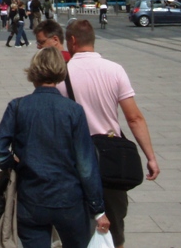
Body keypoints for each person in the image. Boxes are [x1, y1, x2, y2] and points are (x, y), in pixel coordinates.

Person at [0, 48, 110, 247]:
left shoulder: (18, 106)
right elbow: (86, 166)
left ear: (33, 72)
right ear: (60, 73)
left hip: (31, 199)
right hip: (69, 199)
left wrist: (14, 163)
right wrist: (98, 209)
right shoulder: (74, 110)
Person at [60, 19, 159, 248]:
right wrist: (150, 157)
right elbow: (134, 118)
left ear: (72, 41)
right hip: (110, 161)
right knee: (114, 230)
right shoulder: (115, 70)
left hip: (74, 161)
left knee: (75, 230)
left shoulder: (62, 74)